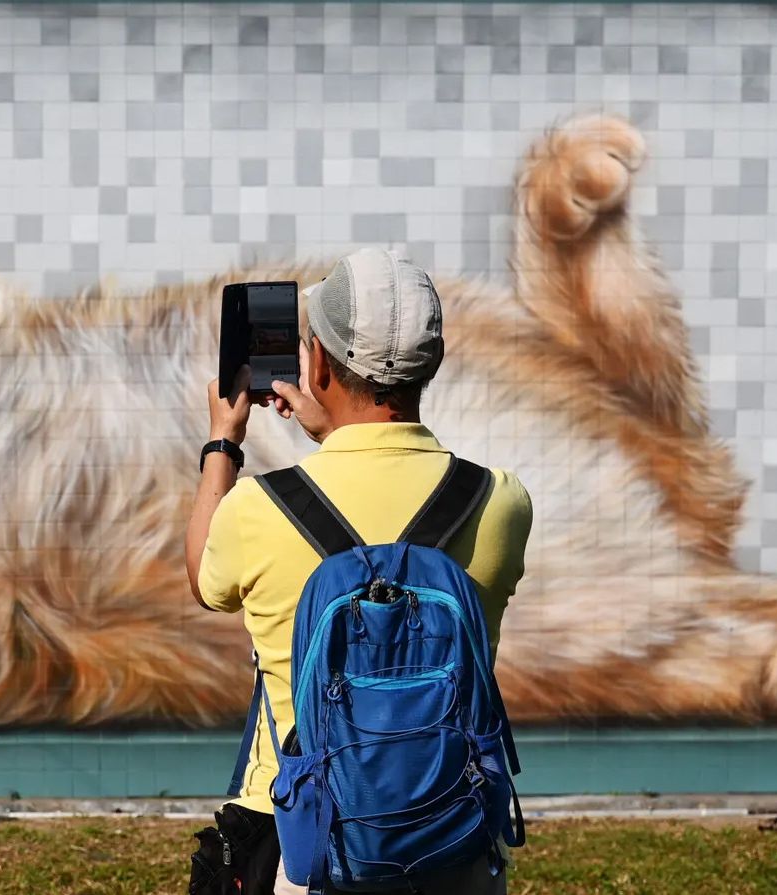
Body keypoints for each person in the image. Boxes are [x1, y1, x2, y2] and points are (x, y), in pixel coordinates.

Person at [185, 247, 533, 894]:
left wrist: (223, 441)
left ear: (316, 362)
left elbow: (205, 577)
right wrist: (341, 434)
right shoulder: (500, 501)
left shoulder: (259, 508)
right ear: (433, 363)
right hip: (451, 840)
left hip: (310, 838)